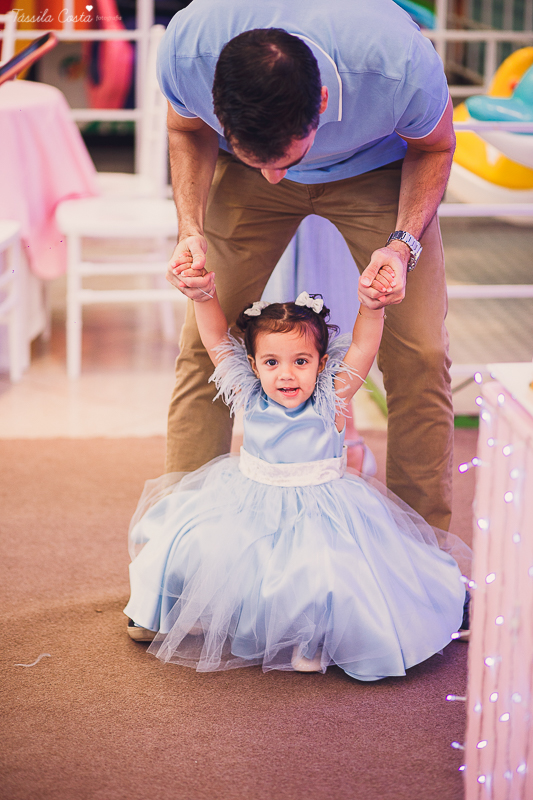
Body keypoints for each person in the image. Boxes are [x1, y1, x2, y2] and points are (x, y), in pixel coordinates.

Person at [159, 0, 457, 533]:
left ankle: (425, 556)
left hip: (381, 166)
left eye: (287, 162)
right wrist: (190, 228)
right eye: (263, 162)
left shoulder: (397, 63)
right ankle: (182, 552)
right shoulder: (188, 47)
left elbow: (435, 148)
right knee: (203, 348)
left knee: (422, 352)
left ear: (322, 101)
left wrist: (402, 245)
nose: (279, 179)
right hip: (238, 172)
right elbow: (185, 132)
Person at [124, 267, 469, 680]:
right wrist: (203, 298)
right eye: (272, 362)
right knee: (193, 542)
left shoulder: (333, 397)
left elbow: (362, 345)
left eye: (301, 361)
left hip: (321, 509)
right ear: (252, 365)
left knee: (322, 571)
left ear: (322, 363)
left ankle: (313, 637)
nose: (286, 373)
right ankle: (162, 605)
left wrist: (371, 307)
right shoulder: (248, 393)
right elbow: (216, 340)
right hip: (249, 501)